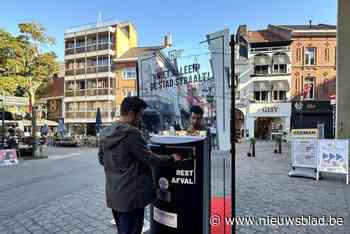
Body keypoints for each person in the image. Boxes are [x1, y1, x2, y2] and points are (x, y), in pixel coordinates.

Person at [98, 97, 181, 234]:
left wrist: (119, 167)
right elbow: (150, 158)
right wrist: (171, 158)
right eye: (140, 115)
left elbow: (102, 159)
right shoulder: (132, 133)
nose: (141, 119)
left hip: (114, 195)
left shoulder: (105, 133)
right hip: (132, 197)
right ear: (131, 114)